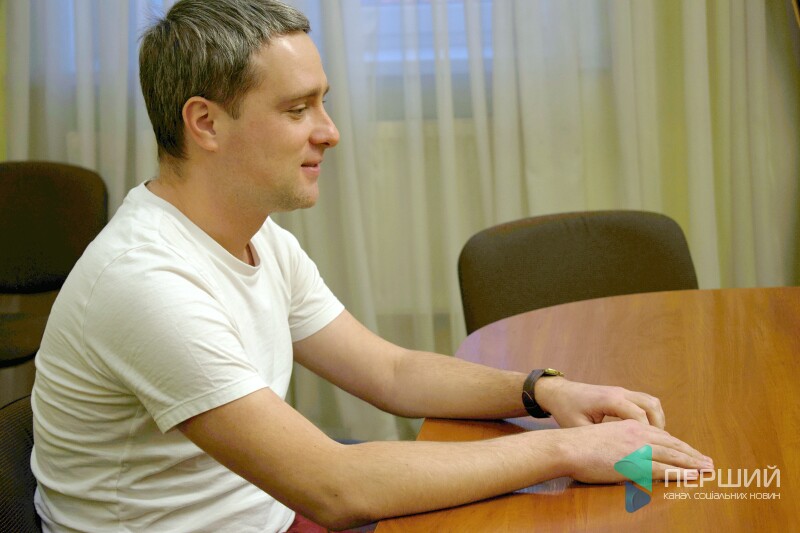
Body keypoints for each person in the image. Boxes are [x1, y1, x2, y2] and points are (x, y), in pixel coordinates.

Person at [30, 1, 712, 531]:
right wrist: (565, 450)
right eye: (297, 109)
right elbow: (335, 487)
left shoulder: (258, 238)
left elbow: (391, 373)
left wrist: (542, 391)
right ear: (205, 123)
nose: (328, 131)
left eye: (322, 101)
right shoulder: (146, 283)